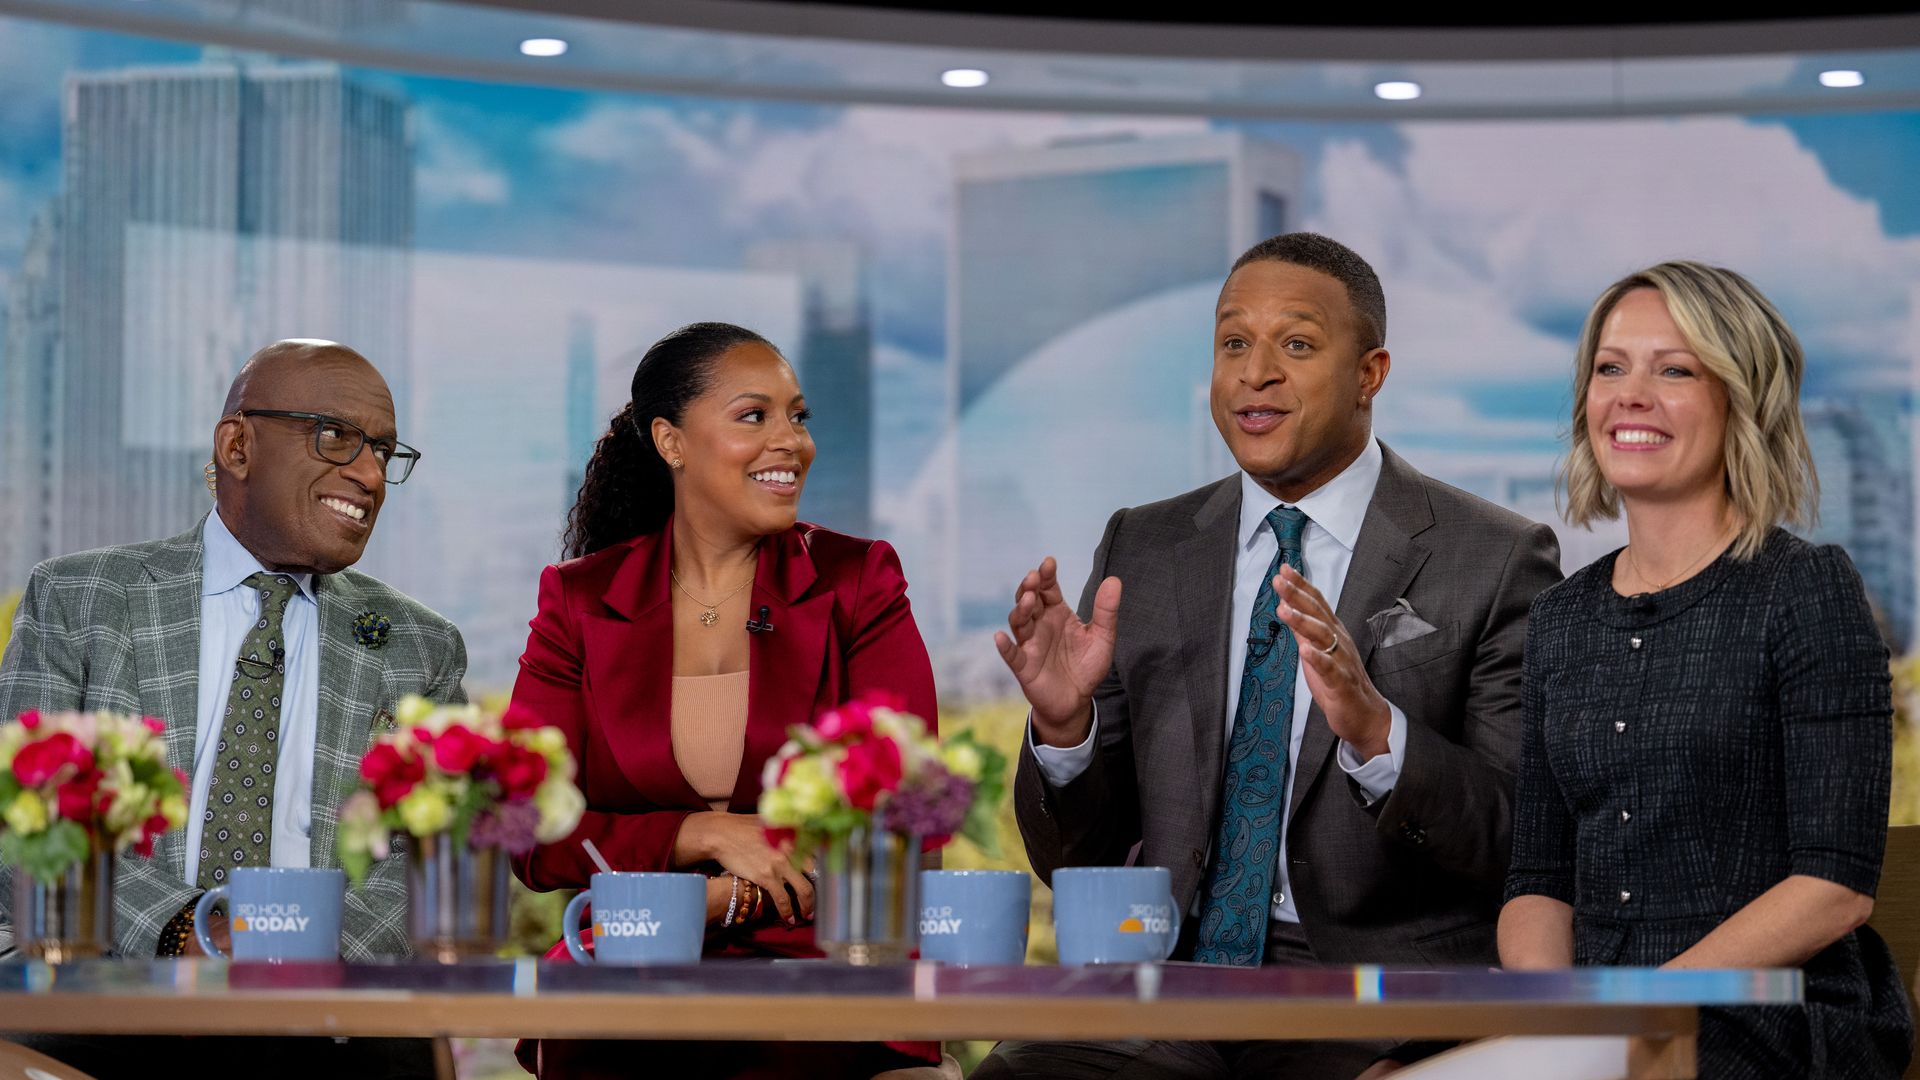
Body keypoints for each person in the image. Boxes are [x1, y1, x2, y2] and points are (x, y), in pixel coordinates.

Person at [980, 233, 1563, 1080]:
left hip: (1375, 998)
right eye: (1233, 344)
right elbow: (1081, 856)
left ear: (1371, 373)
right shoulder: (1144, 544)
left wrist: (1377, 736)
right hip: (1169, 988)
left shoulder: (1496, 555)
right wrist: (1063, 730)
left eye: (1296, 344)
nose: (1256, 373)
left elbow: (1519, 837)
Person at [0, 338, 466, 1077]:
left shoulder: (420, 646)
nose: (371, 475)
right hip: (106, 988)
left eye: (383, 451)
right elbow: (27, 823)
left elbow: (428, 867)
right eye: (337, 437)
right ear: (238, 445)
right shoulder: (82, 599)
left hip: (329, 1011)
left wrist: (298, 960)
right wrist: (193, 931)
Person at [1498, 262, 1914, 1077]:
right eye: (1610, 367)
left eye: (1675, 369)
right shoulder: (1560, 617)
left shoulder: (1806, 589)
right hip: (1596, 1012)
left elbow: (1836, 885)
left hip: (1770, 1013)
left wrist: (1636, 1012)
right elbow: (1538, 878)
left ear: (1741, 399)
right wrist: (1559, 1013)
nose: (1631, 393)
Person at [506, 322, 950, 1079]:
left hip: (827, 970)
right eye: (755, 416)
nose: (792, 441)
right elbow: (532, 834)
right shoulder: (579, 602)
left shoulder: (859, 581)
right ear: (672, 442)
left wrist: (722, 903)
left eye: (799, 417)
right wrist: (698, 833)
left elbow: (909, 820)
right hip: (631, 969)